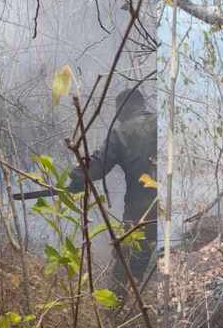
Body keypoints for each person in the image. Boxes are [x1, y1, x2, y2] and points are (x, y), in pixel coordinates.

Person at [67, 88, 157, 295]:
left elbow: (98, 164)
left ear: (124, 108)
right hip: (166, 206)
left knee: (126, 261)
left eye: (118, 111)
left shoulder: (123, 132)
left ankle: (114, 313)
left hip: (140, 211)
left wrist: (78, 178)